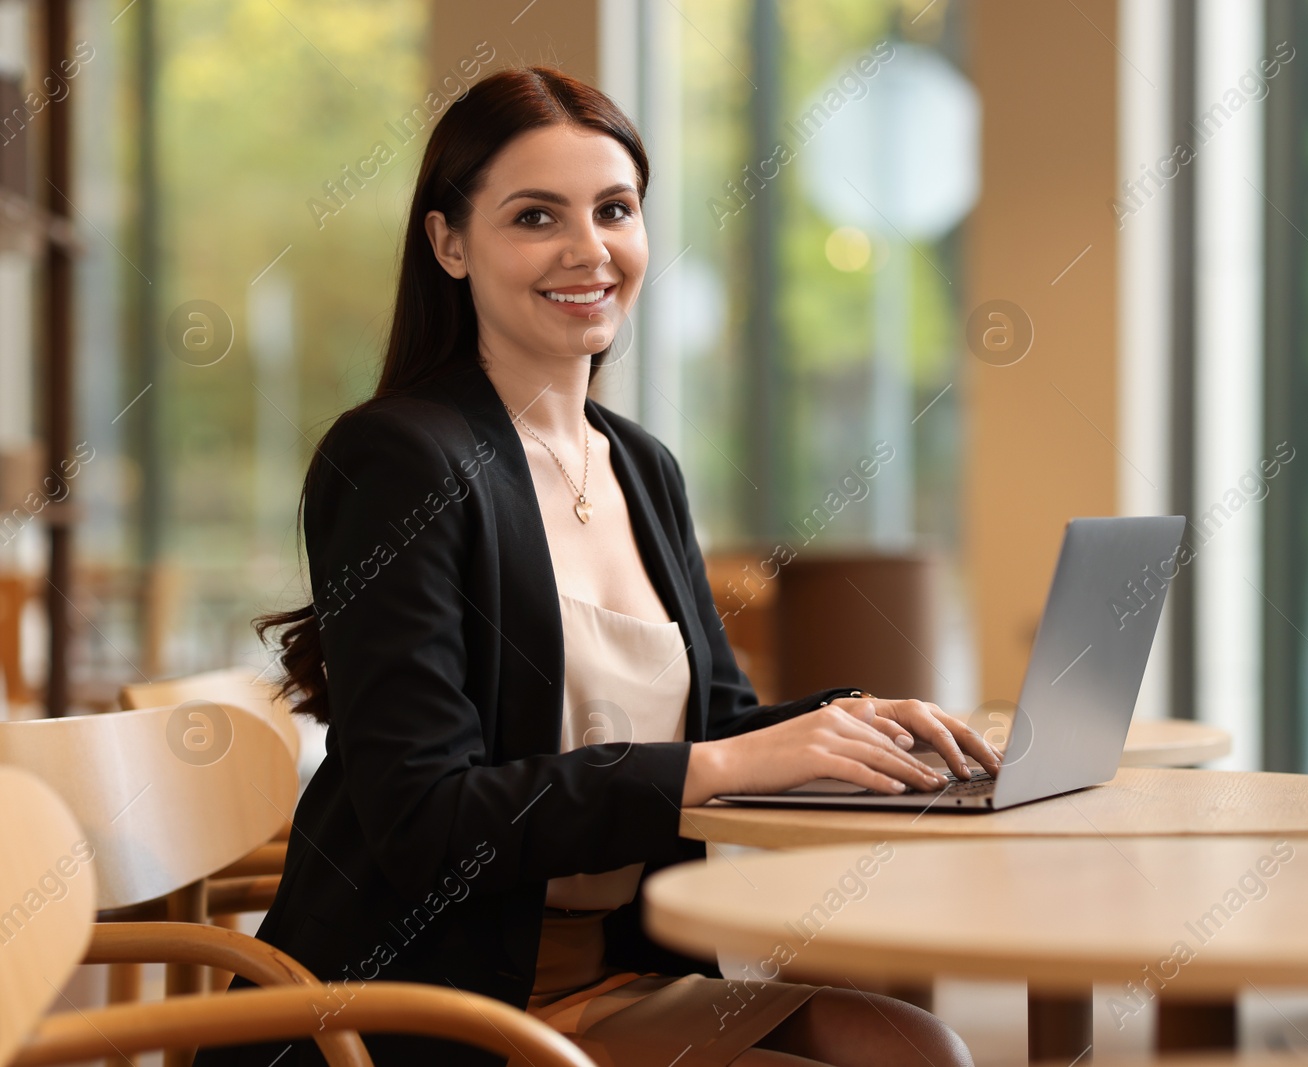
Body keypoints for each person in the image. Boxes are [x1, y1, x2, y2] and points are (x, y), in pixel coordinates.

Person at [193, 66, 998, 1067]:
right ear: (450, 243)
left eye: (615, 210)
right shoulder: (400, 460)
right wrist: (725, 763)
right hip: (428, 999)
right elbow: (423, 816)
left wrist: (860, 726)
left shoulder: (640, 465)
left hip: (609, 975)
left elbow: (713, 718)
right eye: (536, 216)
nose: (589, 249)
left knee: (918, 1044)